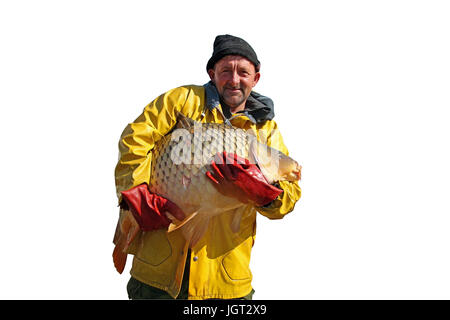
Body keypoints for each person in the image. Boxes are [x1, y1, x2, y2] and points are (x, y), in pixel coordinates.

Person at [114, 34, 302, 300]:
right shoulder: (182, 100)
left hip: (225, 284)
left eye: (243, 72)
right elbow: (135, 139)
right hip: (158, 276)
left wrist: (267, 196)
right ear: (213, 74)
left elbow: (290, 193)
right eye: (226, 71)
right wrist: (136, 195)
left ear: (255, 78)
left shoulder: (265, 129)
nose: (234, 79)